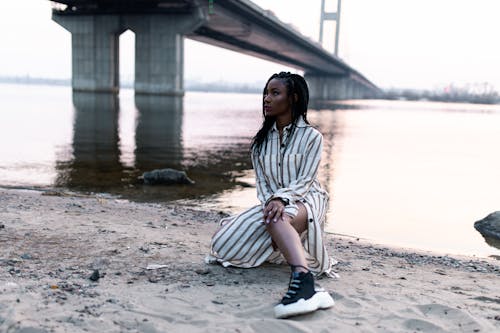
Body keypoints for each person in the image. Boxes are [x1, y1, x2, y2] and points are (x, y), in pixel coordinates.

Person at [206, 71, 334, 318]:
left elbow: (305, 180)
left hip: (308, 199)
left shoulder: (312, 137)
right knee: (222, 243)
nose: (267, 98)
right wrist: (270, 202)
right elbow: (263, 185)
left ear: (293, 98)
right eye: (266, 92)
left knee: (278, 218)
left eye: (275, 93)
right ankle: (283, 233)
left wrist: (280, 200)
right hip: (271, 203)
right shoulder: (259, 143)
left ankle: (303, 280)